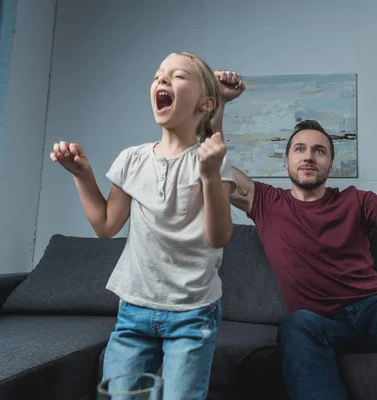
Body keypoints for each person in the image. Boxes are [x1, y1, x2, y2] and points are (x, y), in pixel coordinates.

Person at [215, 71, 377, 400]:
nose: (309, 156)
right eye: (300, 149)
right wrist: (218, 104)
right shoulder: (265, 201)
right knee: (294, 326)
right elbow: (213, 163)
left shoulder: (354, 200)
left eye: (319, 151)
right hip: (319, 324)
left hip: (376, 311)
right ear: (287, 160)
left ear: (331, 163)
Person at [50, 53, 240, 399]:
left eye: (177, 76)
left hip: (192, 313)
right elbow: (106, 226)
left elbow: (219, 236)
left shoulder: (213, 160)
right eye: (157, 76)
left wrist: (210, 175)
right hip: (134, 309)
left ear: (205, 103)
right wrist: (83, 176)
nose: (161, 81)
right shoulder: (131, 159)